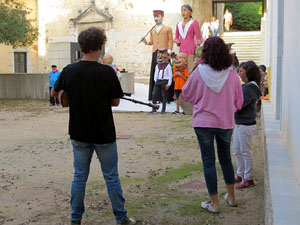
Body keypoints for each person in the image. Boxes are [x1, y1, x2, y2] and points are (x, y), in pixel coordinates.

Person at [51, 27, 135, 225]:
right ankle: (121, 218)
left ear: (81, 47)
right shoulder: (107, 72)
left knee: (79, 177)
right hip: (104, 133)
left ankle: (75, 219)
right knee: (111, 177)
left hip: (79, 132)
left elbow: (55, 94)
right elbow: (115, 102)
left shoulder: (69, 70)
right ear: (100, 47)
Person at [181, 36, 243, 213]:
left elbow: (186, 95)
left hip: (203, 122)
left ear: (204, 53)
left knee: (208, 161)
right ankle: (231, 197)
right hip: (225, 121)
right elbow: (239, 101)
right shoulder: (232, 73)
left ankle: (214, 203)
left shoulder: (199, 71)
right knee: (225, 159)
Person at [233, 61, 262, 189]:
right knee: (237, 151)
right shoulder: (249, 87)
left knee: (245, 152)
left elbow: (238, 104)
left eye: (241, 71)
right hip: (241, 123)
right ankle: (240, 173)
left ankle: (248, 178)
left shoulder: (249, 88)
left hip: (246, 124)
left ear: (248, 72)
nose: (239, 73)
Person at [141, 10, 173, 101]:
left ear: (162, 16)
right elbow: (151, 42)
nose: (156, 18)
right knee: (156, 73)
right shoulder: (153, 30)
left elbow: (171, 40)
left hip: (165, 52)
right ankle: (155, 96)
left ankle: (166, 97)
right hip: (155, 52)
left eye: (158, 16)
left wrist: (169, 51)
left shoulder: (168, 28)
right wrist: (145, 42)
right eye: (154, 16)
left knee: (166, 73)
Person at [174, 4, 202, 73]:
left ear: (190, 13)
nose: (183, 12)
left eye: (185, 10)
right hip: (182, 50)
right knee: (182, 70)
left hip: (191, 49)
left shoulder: (194, 23)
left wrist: (198, 52)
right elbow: (177, 38)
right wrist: (178, 42)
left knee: (191, 70)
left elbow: (198, 38)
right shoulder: (178, 24)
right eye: (182, 10)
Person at [149, 48, 172, 114]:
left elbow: (170, 75)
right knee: (154, 94)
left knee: (163, 96)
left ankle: (163, 109)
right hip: (158, 81)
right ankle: (154, 108)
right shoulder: (157, 65)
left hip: (164, 81)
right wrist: (155, 80)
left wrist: (169, 83)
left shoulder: (168, 66)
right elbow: (156, 73)